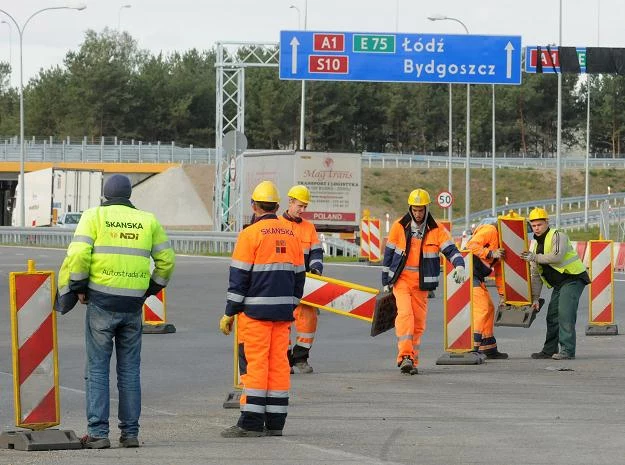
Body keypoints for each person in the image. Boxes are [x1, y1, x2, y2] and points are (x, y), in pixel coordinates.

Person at [64, 174, 175, 449]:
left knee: (98, 369)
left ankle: (99, 433)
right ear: (129, 195)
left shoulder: (93, 217)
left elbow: (78, 256)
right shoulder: (148, 220)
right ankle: (130, 433)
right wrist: (150, 289)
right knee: (129, 372)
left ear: (105, 194)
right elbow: (167, 261)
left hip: (101, 302)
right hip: (133, 306)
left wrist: (78, 286)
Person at [219, 181, 305, 437]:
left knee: (254, 366)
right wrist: (291, 304)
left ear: (254, 206)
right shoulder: (292, 234)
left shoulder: (250, 234)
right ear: (278, 206)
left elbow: (239, 279)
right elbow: (300, 277)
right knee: (278, 365)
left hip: (254, 314)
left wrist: (229, 312)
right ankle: (276, 422)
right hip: (283, 314)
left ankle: (251, 423)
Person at [382, 188, 467, 375]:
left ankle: (412, 359)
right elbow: (388, 254)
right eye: (415, 209)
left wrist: (459, 265)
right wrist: (385, 280)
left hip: (422, 284)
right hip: (401, 280)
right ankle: (404, 356)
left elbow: (451, 250)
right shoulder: (399, 226)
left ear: (427, 208)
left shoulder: (436, 230)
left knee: (419, 323)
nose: (418, 214)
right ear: (410, 208)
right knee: (405, 315)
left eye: (421, 210)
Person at [521, 208, 590, 360]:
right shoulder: (535, 245)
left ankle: (567, 350)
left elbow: (557, 256)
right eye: (534, 225)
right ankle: (549, 350)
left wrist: (535, 257)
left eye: (540, 224)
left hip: (573, 278)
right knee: (552, 316)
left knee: (565, 314)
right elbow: (536, 274)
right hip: (560, 284)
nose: (537, 228)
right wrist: (535, 298)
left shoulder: (558, 235)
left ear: (547, 222)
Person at [280, 185, 323, 374]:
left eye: (305, 206)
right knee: (282, 322)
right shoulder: (278, 225)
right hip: (283, 281)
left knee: (308, 320)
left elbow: (316, 251)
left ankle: (300, 358)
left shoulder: (309, 227)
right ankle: (283, 359)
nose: (303, 210)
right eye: (300, 206)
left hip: (305, 282)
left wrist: (316, 268)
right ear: (290, 202)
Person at [465, 219, 508, 359]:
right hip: (469, 274)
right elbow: (470, 245)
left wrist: (502, 295)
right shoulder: (490, 230)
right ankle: (472, 347)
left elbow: (499, 273)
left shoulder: (503, 244)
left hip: (477, 276)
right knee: (482, 307)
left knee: (489, 308)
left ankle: (488, 347)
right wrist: (490, 253)